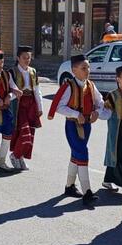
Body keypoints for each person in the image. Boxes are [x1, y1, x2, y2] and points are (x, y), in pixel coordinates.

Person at [48, 54, 109, 203]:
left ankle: (69, 186)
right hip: (72, 126)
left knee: (76, 154)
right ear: (74, 70)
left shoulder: (91, 85)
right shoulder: (69, 86)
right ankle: (87, 191)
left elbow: (100, 103)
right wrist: (76, 114)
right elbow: (59, 107)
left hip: (86, 125)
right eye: (84, 68)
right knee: (82, 153)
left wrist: (97, 112)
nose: (87, 70)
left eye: (88, 67)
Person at [8, 45, 43, 170]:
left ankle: (20, 156)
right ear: (18, 58)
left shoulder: (32, 71)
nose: (27, 60)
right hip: (18, 104)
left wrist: (40, 107)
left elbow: (37, 91)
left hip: (31, 104)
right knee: (24, 132)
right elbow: (9, 90)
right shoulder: (12, 72)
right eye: (24, 57)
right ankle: (15, 155)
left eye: (29, 58)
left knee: (31, 132)